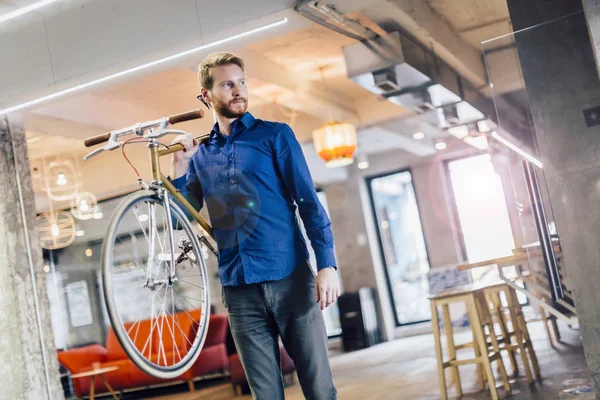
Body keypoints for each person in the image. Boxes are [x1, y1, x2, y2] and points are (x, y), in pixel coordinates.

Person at [169, 52, 340, 400]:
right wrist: (178, 165)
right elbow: (179, 219)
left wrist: (327, 264)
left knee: (320, 390)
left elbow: (308, 201)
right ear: (206, 95)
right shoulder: (201, 156)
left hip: (290, 280)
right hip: (239, 292)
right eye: (227, 84)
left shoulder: (275, 137)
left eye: (242, 82)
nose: (238, 91)